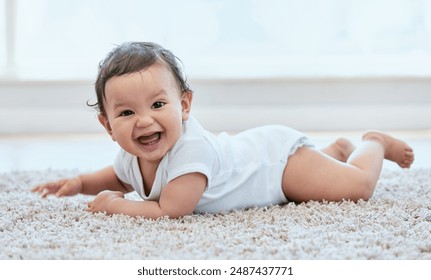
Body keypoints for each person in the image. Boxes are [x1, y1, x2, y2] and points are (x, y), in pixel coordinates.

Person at [32, 42, 415, 219]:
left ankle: (372, 142)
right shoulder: (133, 152)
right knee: (323, 179)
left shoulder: (191, 152)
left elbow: (170, 209)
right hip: (262, 163)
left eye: (158, 104)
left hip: (275, 165)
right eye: (127, 112)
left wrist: (115, 204)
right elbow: (117, 175)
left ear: (184, 106)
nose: (145, 120)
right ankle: (332, 152)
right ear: (108, 126)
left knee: (357, 189)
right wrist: (79, 183)